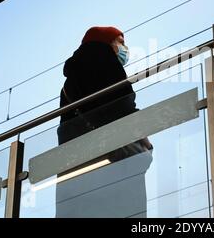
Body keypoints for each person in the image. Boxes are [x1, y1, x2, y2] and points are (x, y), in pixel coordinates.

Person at [55, 26, 153, 218]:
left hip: (74, 172)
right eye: (121, 42)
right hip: (113, 167)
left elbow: (65, 130)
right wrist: (145, 140)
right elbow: (124, 110)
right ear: (106, 44)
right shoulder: (108, 66)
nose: (125, 48)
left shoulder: (68, 84)